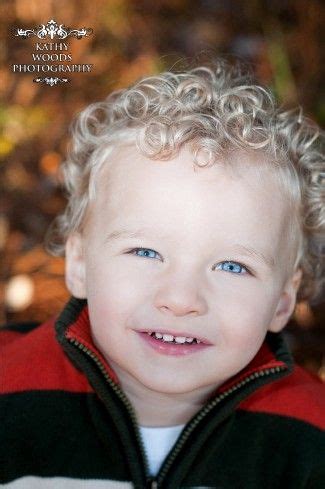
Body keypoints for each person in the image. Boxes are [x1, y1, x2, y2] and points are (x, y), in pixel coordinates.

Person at [1, 59, 324, 489]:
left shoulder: (309, 440)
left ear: (283, 300)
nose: (181, 298)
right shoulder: (9, 395)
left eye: (232, 266)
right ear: (78, 263)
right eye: (145, 251)